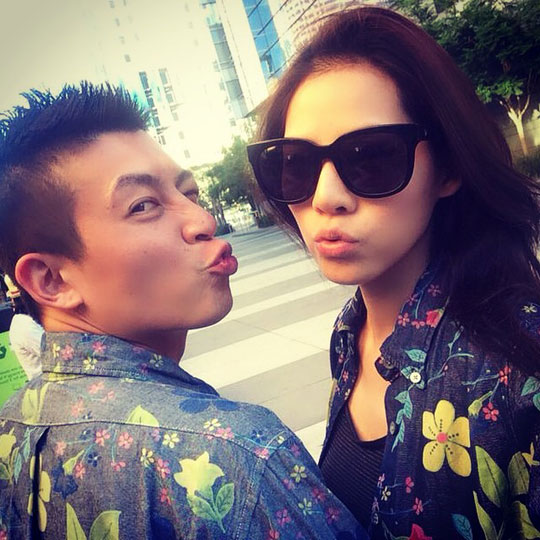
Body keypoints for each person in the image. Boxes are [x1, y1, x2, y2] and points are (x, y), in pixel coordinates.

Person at [0, 83, 367, 539]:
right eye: (143, 206)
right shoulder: (229, 457)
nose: (203, 220)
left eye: (189, 193)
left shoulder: (11, 426)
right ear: (51, 280)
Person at [247, 6, 540, 539]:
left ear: (447, 168)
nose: (325, 197)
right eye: (295, 163)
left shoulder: (522, 366)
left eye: (371, 157)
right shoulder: (350, 333)